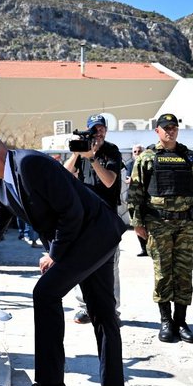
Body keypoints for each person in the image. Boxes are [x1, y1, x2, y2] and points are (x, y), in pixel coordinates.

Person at [0, 130, 127, 386]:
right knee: (102, 313)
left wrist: (54, 254)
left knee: (45, 293)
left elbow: (72, 211)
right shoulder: (0, 186)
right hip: (88, 238)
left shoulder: (30, 164)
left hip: (95, 233)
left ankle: (51, 385)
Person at [127, 113, 193, 345]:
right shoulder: (146, 158)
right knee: (163, 272)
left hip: (187, 224)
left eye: (173, 127)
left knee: (183, 273)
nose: (170, 131)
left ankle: (181, 321)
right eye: (166, 128)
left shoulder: (190, 158)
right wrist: (137, 223)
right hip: (158, 224)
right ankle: (165, 321)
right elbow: (135, 194)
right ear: (157, 131)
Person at [63, 114, 122, 325]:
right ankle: (84, 307)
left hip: (106, 216)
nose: (98, 133)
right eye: (94, 129)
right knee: (82, 262)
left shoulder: (112, 151)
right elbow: (64, 174)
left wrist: (91, 157)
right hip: (85, 217)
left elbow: (109, 181)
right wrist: (78, 153)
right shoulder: (82, 150)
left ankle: (112, 310)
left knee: (110, 264)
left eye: (101, 129)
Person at [125, 144, 149, 257]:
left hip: (146, 198)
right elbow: (127, 179)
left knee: (148, 224)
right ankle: (143, 248)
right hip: (133, 198)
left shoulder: (148, 164)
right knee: (137, 224)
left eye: (139, 151)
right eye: (135, 152)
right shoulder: (130, 164)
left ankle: (150, 247)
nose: (137, 153)